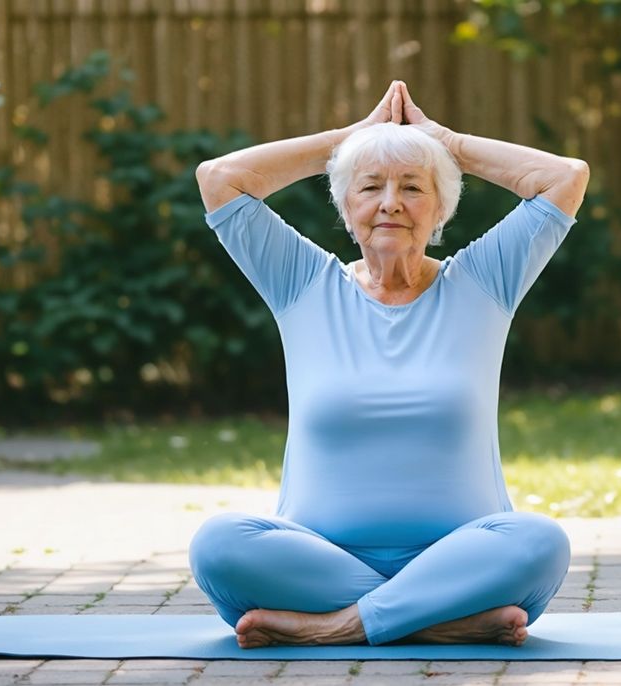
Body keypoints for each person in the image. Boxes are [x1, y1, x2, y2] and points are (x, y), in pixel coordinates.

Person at [189, 80, 591, 648]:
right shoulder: (301, 282)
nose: (390, 203)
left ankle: (340, 627)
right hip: (322, 563)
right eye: (370, 187)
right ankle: (437, 619)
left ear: (442, 208)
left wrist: (444, 140)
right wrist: (349, 138)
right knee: (219, 544)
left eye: (412, 188)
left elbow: (566, 177)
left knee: (537, 542)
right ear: (346, 208)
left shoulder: (483, 282)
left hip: (464, 553)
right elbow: (219, 180)